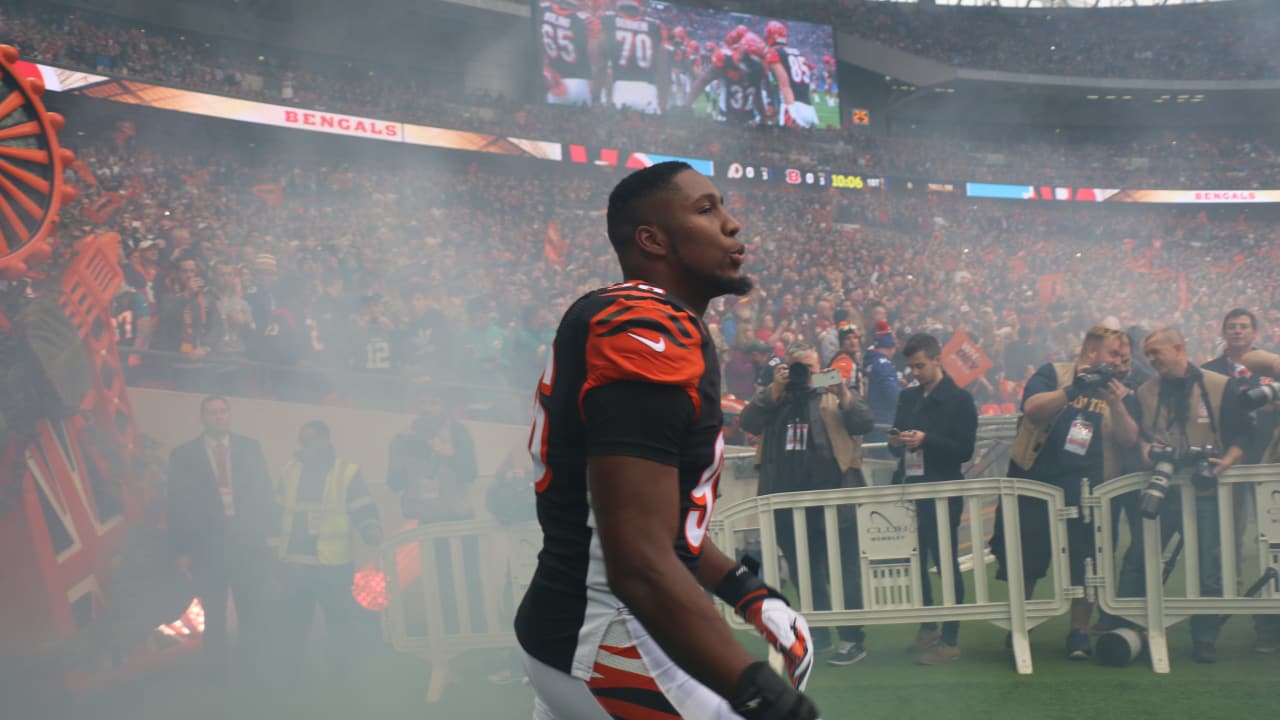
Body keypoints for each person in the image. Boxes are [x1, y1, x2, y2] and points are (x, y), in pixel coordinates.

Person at [514, 161, 818, 720]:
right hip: (608, 637)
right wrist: (756, 687)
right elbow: (637, 557)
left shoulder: (639, 317)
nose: (731, 225)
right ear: (652, 239)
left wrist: (745, 590)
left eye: (723, 206)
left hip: (581, 629)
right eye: (705, 210)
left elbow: (659, 527)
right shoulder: (646, 325)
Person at [990, 325, 1138, 660]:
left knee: (1086, 562)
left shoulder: (1119, 390)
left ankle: (1078, 634)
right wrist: (1072, 390)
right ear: (1090, 352)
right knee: (1027, 558)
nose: (1119, 361)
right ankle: (1020, 627)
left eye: (1121, 355)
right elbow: (1032, 408)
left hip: (1088, 488)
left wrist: (1116, 404)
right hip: (1037, 481)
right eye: (1112, 353)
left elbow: (1130, 439)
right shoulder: (1053, 373)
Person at [738, 341, 875, 667]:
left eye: (810, 370)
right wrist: (774, 387)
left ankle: (852, 637)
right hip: (786, 500)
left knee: (845, 568)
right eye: (797, 368)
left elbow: (864, 422)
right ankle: (820, 632)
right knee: (804, 570)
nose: (803, 376)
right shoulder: (776, 397)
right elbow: (748, 421)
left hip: (836, 497)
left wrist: (842, 392)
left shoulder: (835, 392)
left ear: (821, 369)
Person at [1129, 328, 1249, 663]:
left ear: (1179, 348)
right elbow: (1136, 435)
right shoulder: (1143, 391)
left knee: (1209, 566)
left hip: (1205, 488)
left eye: (1156, 353)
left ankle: (1205, 638)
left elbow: (1241, 433)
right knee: (1139, 557)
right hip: (1160, 485)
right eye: (1148, 354)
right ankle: (1127, 628)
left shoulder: (1220, 385)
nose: (1151, 360)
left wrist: (1228, 459)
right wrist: (1145, 450)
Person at [165, 396, 276, 690]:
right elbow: (175, 504)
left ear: (229, 415)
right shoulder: (183, 455)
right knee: (214, 615)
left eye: (223, 411)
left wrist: (267, 534)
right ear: (203, 417)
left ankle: (253, 671)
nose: (218, 417)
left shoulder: (250, 448)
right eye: (212, 412)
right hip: (207, 548)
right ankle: (216, 676)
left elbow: (263, 491)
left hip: (246, 545)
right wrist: (181, 550)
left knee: (250, 611)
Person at [887, 333, 977, 665]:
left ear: (938, 359)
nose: (915, 372)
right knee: (916, 560)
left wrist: (926, 440)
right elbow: (893, 438)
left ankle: (950, 639)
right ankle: (928, 626)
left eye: (920, 365)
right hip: (910, 487)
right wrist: (896, 442)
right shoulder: (908, 397)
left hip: (943, 488)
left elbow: (965, 450)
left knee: (945, 562)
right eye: (911, 367)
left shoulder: (961, 400)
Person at [275, 420, 383, 684]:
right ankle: (290, 678)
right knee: (294, 626)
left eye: (311, 440)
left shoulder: (346, 471)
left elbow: (362, 505)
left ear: (326, 440)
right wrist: (271, 553)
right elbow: (275, 512)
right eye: (303, 441)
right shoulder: (289, 471)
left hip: (333, 565)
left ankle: (342, 675)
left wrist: (371, 529)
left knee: (339, 623)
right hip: (295, 565)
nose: (306, 446)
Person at [1201, 309, 1278, 651]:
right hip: (1229, 465)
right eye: (1231, 326)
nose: (1237, 331)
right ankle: (1218, 609)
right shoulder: (1210, 371)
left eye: (1243, 326)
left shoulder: (1270, 368)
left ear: (1254, 332)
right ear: (1223, 332)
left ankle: (1267, 623)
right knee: (1224, 539)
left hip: (1269, 463)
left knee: (1269, 541)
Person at [862, 320, 899, 442]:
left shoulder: (870, 360)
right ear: (891, 347)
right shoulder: (883, 365)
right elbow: (894, 396)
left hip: (872, 420)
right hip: (883, 422)